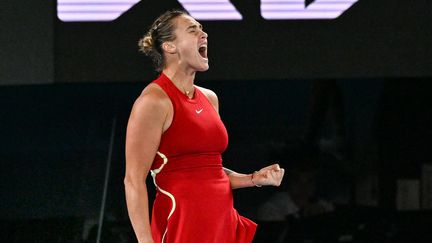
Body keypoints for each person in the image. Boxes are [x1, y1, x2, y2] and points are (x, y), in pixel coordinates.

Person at [124, 9, 285, 243]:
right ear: (170, 47)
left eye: (202, 28)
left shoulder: (210, 98)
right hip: (182, 220)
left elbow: (208, 171)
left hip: (221, 219)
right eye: (193, 30)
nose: (204, 34)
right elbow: (133, 180)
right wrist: (145, 241)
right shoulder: (153, 101)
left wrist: (253, 178)